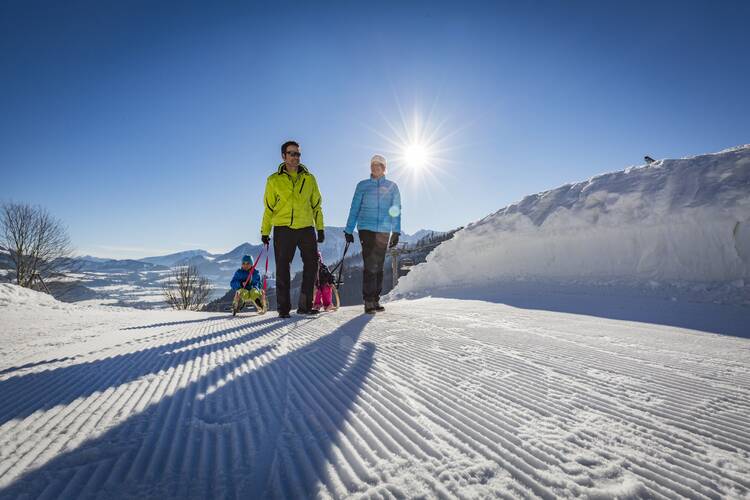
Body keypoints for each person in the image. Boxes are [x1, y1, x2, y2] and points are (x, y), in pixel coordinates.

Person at [261, 140, 325, 318]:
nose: (295, 157)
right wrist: (265, 232)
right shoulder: (273, 180)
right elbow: (269, 208)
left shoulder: (309, 178)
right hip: (283, 228)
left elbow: (317, 206)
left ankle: (305, 306)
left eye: (298, 154)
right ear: (283, 156)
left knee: (311, 266)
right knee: (282, 268)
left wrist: (320, 228)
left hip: (306, 227)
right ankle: (283, 309)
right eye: (291, 153)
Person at [344, 154, 401, 314]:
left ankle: (375, 299)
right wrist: (349, 230)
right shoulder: (362, 185)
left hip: (384, 229)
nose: (375, 168)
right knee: (370, 263)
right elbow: (354, 207)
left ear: (384, 168)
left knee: (379, 265)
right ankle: (368, 300)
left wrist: (396, 231)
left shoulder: (392, 186)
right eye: (373, 165)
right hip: (366, 228)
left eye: (379, 165)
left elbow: (396, 210)